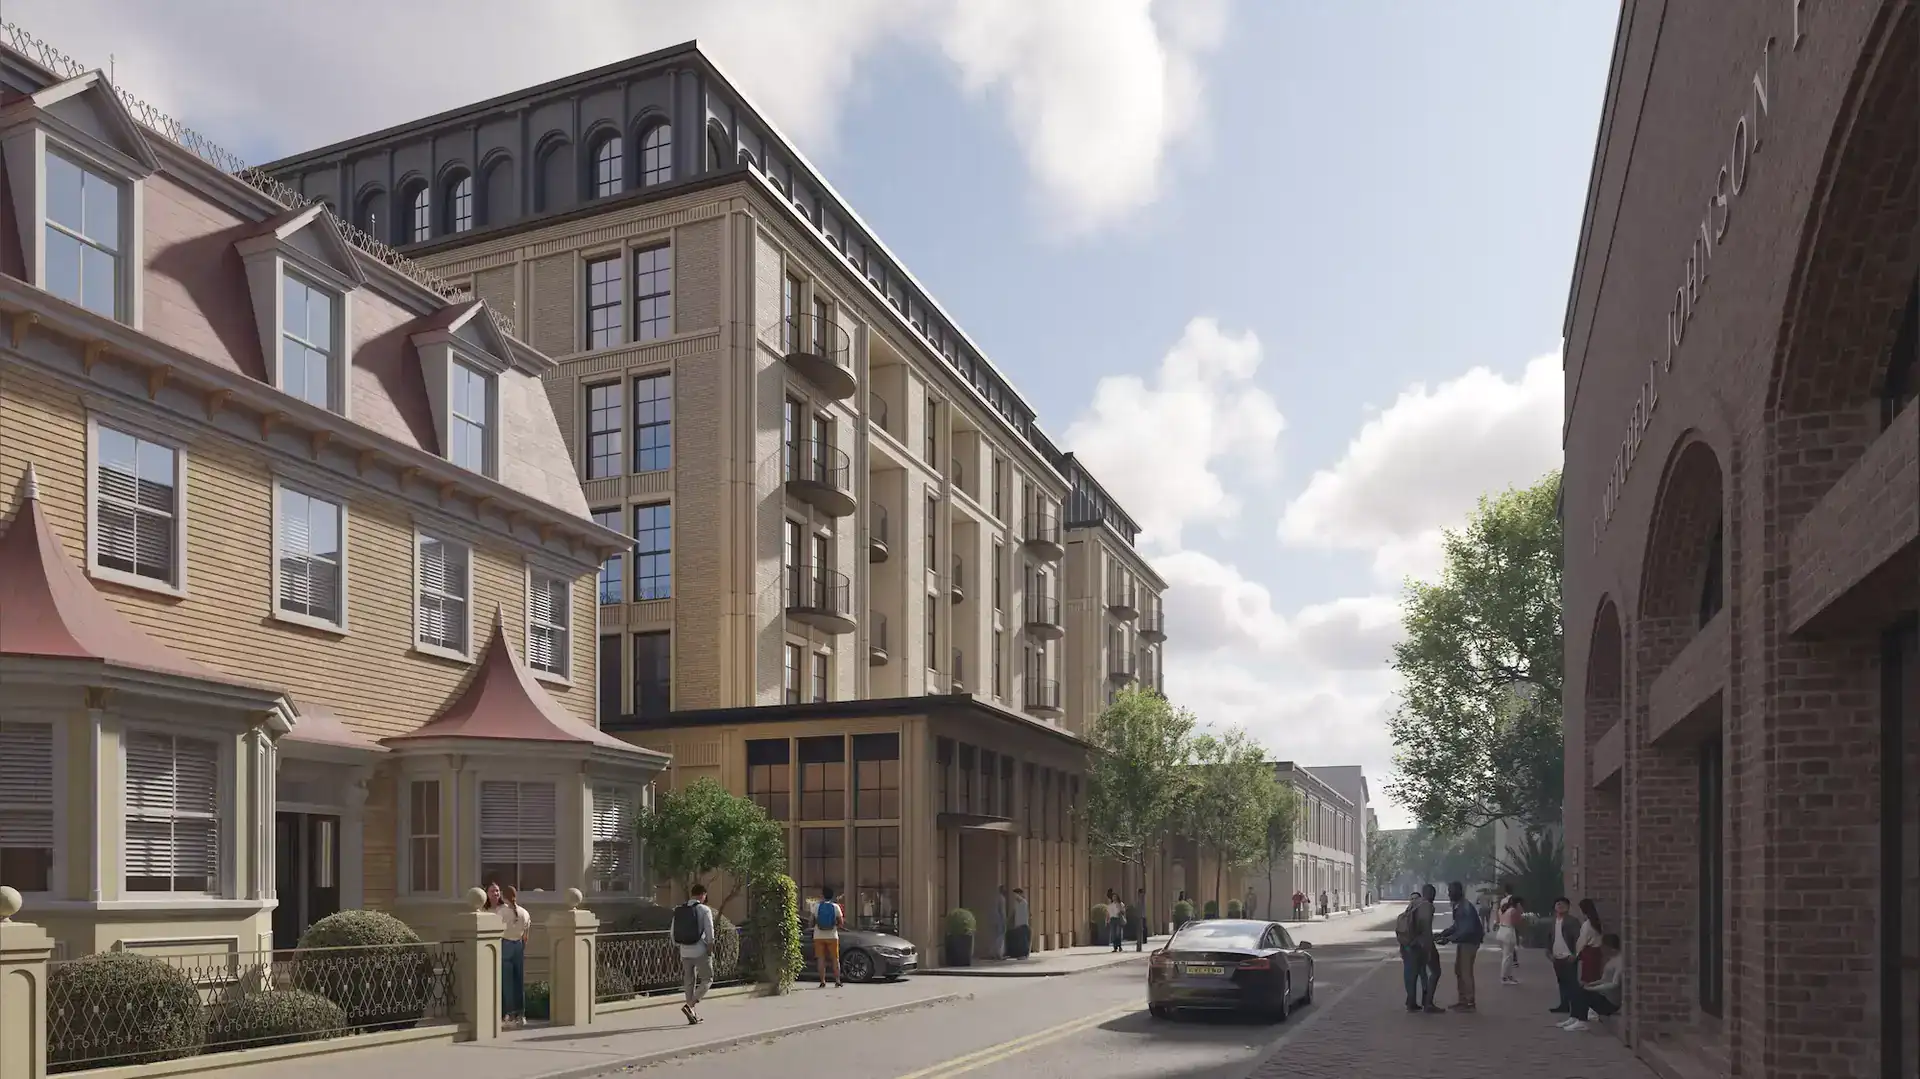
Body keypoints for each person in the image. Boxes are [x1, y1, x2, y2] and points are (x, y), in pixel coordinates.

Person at [485, 883, 531, 1027]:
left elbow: (494, 929)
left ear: (504, 897)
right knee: (519, 981)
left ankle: (509, 1015)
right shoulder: (524, 912)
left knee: (507, 982)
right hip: (518, 945)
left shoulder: (501, 911)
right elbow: (526, 934)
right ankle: (521, 1015)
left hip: (505, 944)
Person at [1436, 880, 1485, 1011]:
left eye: (1451, 891)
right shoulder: (1458, 905)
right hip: (1464, 941)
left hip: (1469, 942)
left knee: (1465, 972)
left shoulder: (1465, 907)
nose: (1449, 894)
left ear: (1458, 892)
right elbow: (1457, 926)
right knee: (1459, 970)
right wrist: (1443, 934)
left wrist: (1449, 938)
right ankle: (1462, 1000)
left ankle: (1469, 1002)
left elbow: (1466, 929)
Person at [1561, 933, 1624, 1032]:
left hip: (1611, 1003)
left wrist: (1592, 989)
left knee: (1584, 993)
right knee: (1578, 989)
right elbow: (1604, 980)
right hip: (1604, 997)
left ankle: (1582, 1022)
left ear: (1611, 948)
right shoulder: (1611, 960)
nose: (1602, 949)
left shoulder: (1620, 961)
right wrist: (1591, 984)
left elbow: (1614, 984)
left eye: (1604, 946)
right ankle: (1574, 1017)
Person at [673, 883, 717, 1024]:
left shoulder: (679, 910)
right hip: (700, 950)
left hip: (684, 951)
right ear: (702, 895)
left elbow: (672, 933)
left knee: (689, 981)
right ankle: (690, 1005)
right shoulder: (704, 910)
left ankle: (692, 1014)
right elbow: (710, 932)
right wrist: (710, 949)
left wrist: (680, 946)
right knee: (707, 979)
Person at [1547, 896, 1580, 1014]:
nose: (1560, 906)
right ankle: (1564, 1005)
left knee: (1572, 983)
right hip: (1556, 956)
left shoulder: (1572, 921)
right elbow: (1549, 938)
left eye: (1563, 904)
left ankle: (1575, 1007)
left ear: (1568, 907)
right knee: (1561, 982)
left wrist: (1575, 954)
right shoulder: (1553, 921)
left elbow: (1578, 938)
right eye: (1558, 904)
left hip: (1568, 956)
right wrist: (1549, 953)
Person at [813, 886, 844, 988]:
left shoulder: (816, 906)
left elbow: (811, 921)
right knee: (835, 959)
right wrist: (834, 926)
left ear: (822, 895)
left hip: (818, 936)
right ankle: (837, 981)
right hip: (832, 936)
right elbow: (841, 923)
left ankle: (822, 981)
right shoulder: (835, 907)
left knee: (821, 959)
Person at [1496, 893, 1526, 984]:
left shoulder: (1502, 909)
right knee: (1508, 956)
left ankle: (1507, 975)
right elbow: (1518, 921)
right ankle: (1504, 977)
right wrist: (1520, 911)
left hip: (1501, 930)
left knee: (1506, 955)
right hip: (1509, 932)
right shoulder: (1513, 911)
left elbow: (1497, 920)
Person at [1575, 899, 1606, 984]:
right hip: (1597, 952)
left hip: (1589, 953)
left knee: (1588, 979)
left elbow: (1582, 941)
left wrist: (1576, 953)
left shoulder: (1587, 925)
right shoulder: (1597, 923)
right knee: (1595, 977)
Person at [1010, 887, 1031, 958]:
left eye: (1015, 894)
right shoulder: (1016, 903)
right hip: (1017, 924)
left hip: (1023, 924)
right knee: (1019, 941)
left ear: (1019, 894)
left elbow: (1024, 914)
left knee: (1023, 941)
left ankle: (1024, 954)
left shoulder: (1024, 902)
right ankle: (1020, 954)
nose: (1014, 896)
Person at [990, 885, 1008, 960]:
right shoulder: (1002, 899)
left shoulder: (996, 898)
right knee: (1000, 937)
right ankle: (997, 953)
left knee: (996, 936)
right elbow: (1002, 911)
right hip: (1000, 920)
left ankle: (994, 952)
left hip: (995, 920)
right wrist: (1004, 920)